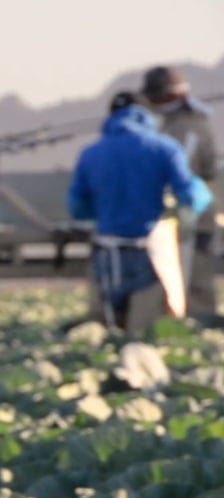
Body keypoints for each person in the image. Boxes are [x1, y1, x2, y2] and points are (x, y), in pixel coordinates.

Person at [68, 91, 214, 334]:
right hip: (151, 253)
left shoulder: (90, 153)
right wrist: (197, 203)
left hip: (108, 253)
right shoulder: (165, 149)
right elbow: (190, 195)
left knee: (108, 330)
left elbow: (77, 207)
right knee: (148, 331)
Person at [142, 65, 219, 322]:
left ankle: (197, 326)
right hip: (187, 219)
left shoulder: (186, 129)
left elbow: (182, 177)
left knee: (190, 286)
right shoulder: (182, 124)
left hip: (191, 221)